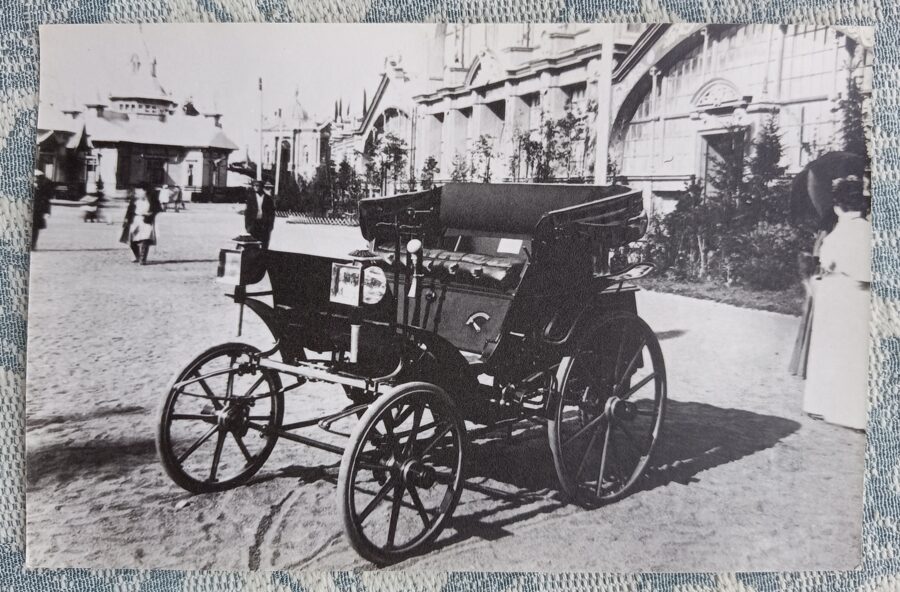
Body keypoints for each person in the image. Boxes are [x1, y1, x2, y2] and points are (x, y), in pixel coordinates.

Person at [802, 175, 872, 431]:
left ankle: (823, 404)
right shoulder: (869, 230)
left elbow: (828, 262)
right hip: (863, 297)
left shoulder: (839, 234)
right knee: (855, 354)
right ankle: (854, 412)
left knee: (829, 349)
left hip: (838, 294)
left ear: (837, 206)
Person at [120, 186, 162, 265]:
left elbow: (158, 208)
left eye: (139, 191)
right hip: (135, 220)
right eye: (136, 192)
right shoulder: (134, 200)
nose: (137, 193)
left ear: (145, 191)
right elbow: (129, 211)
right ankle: (137, 256)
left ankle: (143, 259)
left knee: (145, 239)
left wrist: (151, 214)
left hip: (146, 221)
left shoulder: (152, 199)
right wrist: (126, 220)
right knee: (132, 240)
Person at [244, 180, 275, 249]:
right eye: (254, 186)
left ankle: (263, 255)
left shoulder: (268, 198)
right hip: (253, 224)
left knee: (264, 243)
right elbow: (247, 213)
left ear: (261, 187)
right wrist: (247, 226)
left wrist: (270, 225)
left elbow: (271, 214)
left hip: (264, 224)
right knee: (253, 244)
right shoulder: (250, 198)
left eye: (257, 186)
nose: (255, 187)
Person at [31, 170, 52, 250]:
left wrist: (47, 212)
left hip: (38, 212)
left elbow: (46, 201)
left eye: (39, 178)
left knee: (35, 229)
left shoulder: (43, 188)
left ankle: (33, 245)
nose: (37, 179)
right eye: (36, 177)